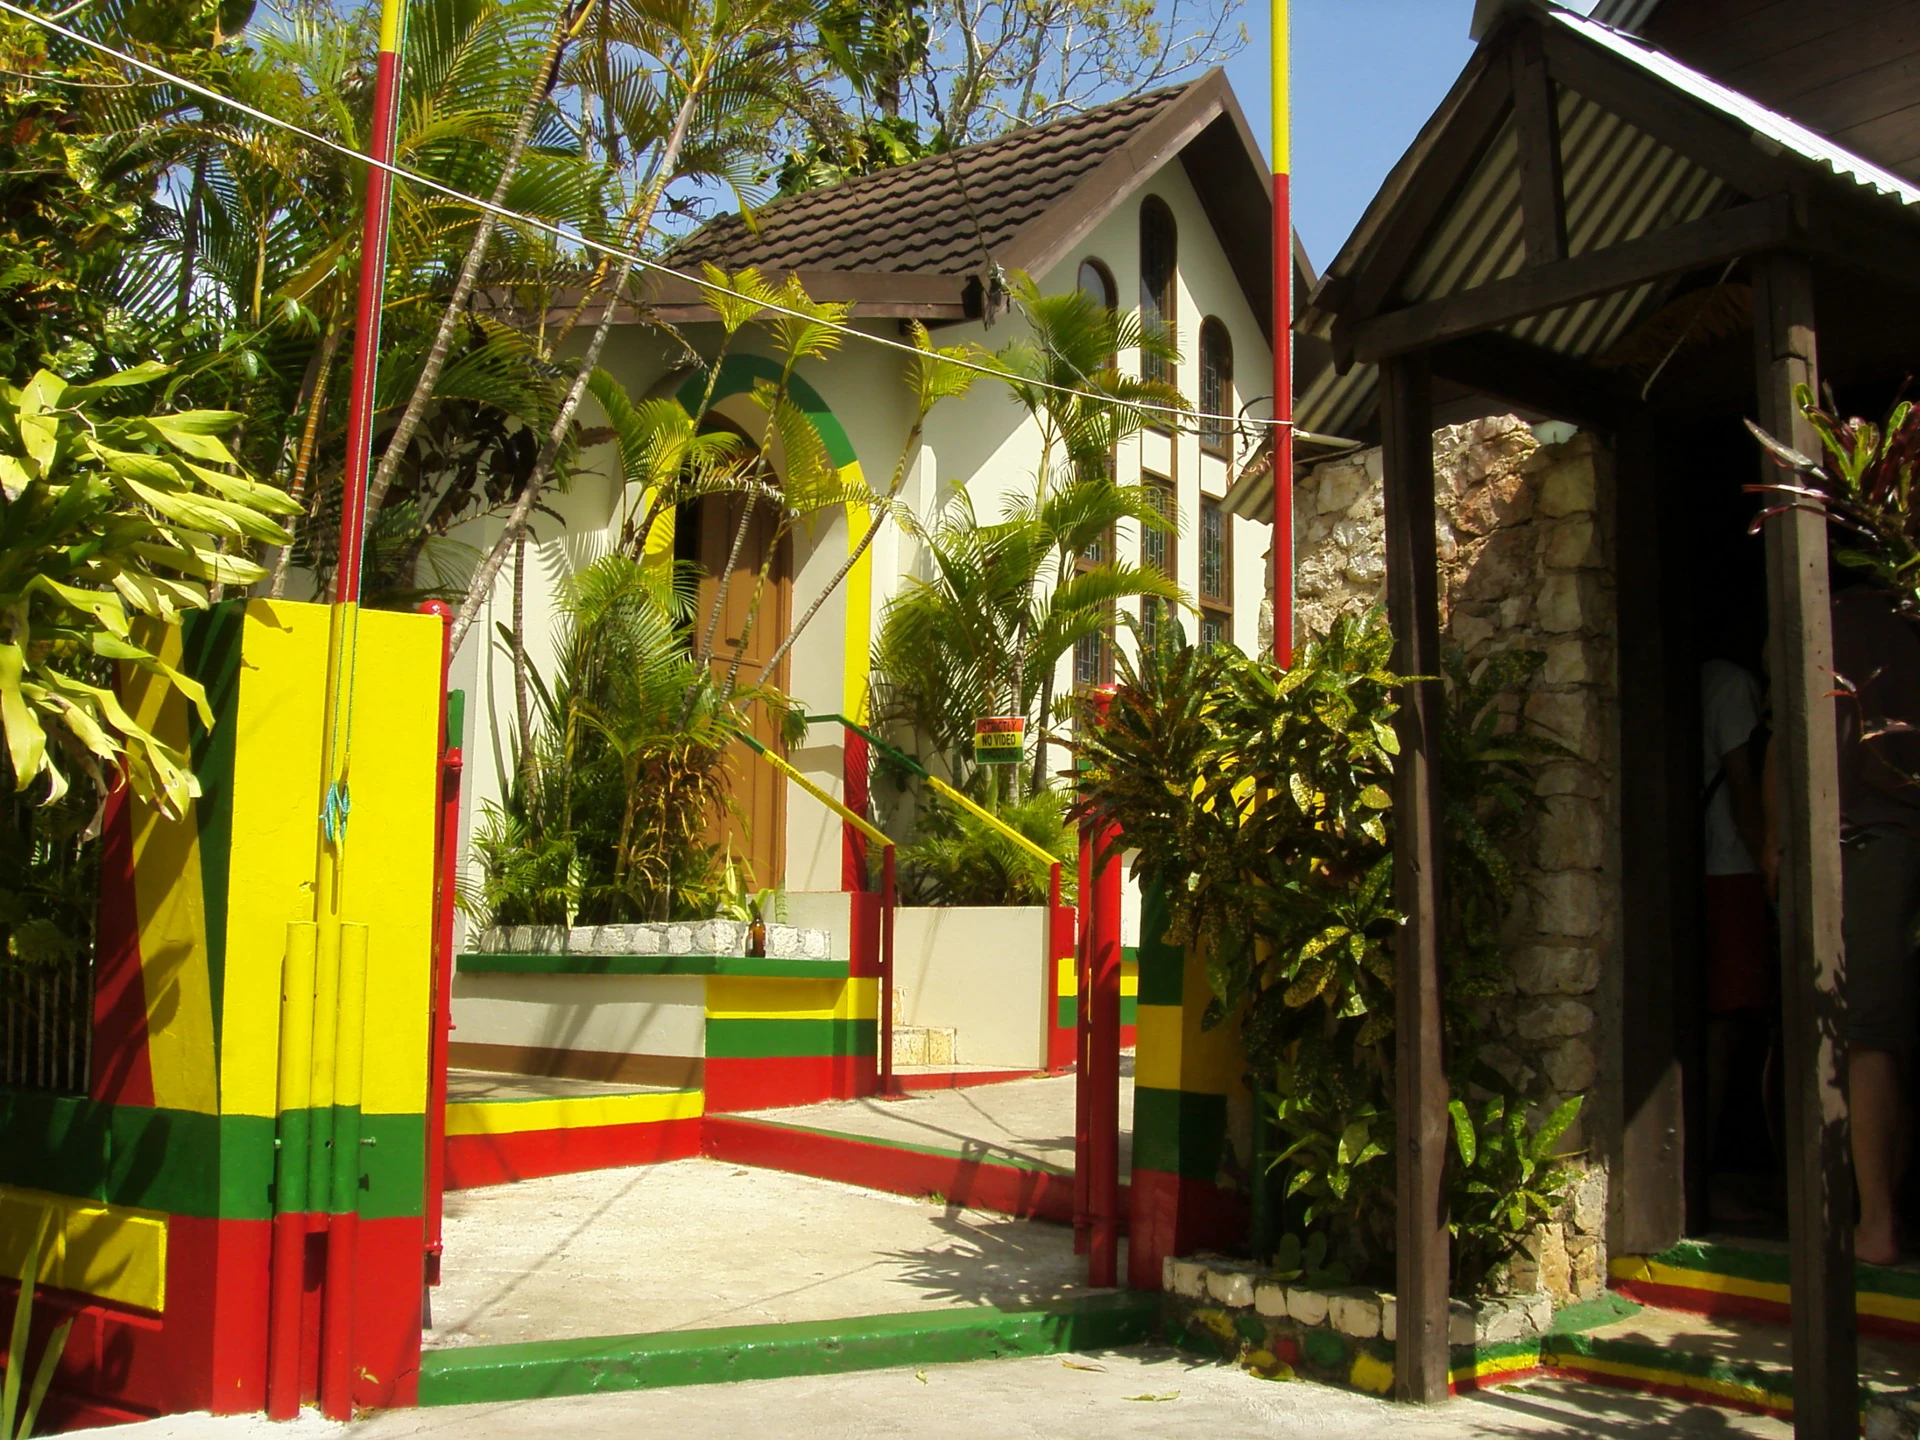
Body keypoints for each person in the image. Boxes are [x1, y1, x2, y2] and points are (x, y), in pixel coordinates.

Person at [1829, 583, 1920, 1267]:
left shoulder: (1845, 619)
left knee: (1869, 1035)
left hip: (1874, 836)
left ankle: (1878, 1224)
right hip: (1883, 834)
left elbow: (1808, 742)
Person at [1700, 657, 1772, 1217]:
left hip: (1712, 865)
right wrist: (1768, 861)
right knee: (1731, 1023)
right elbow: (1743, 782)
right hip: (1732, 866)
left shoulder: (1701, 678)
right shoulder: (1734, 684)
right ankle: (1709, 1177)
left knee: (1718, 1022)